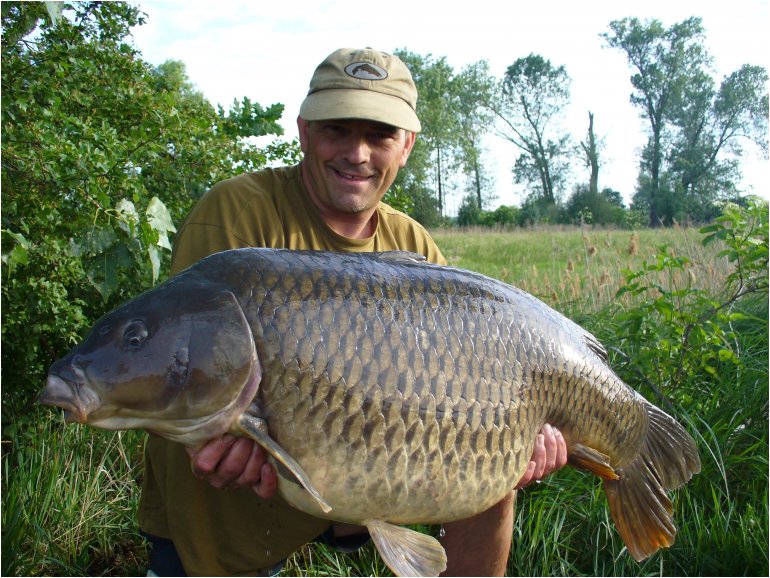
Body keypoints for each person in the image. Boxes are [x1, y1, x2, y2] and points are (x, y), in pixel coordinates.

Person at [138, 47, 568, 577]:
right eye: (337, 130)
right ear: (303, 130)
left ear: (406, 146)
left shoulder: (413, 244)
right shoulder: (235, 215)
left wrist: (512, 443)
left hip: (356, 471)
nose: (357, 153)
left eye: (379, 136)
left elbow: (447, 388)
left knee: (495, 475)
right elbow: (177, 368)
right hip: (230, 515)